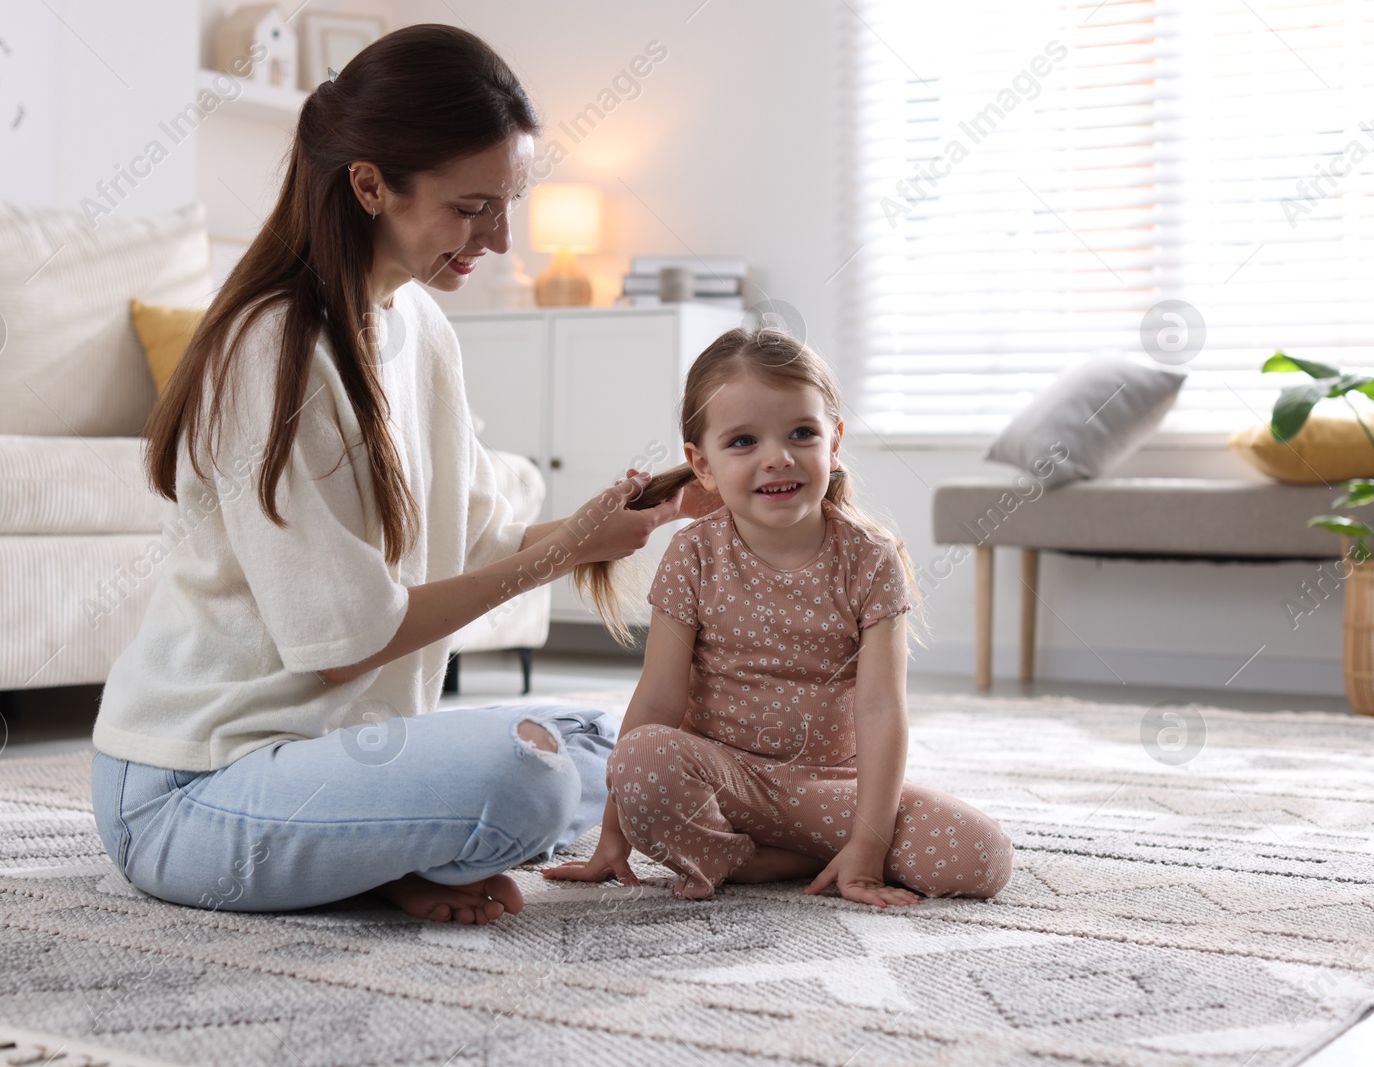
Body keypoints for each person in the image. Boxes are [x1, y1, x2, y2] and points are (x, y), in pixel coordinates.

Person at [89, 24, 709, 925]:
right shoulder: (276, 350)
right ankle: (395, 847)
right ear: (371, 184)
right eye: (471, 207)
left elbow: (480, 542)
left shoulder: (419, 326)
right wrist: (567, 549)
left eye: (508, 204)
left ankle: (389, 849)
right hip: (193, 791)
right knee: (527, 777)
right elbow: (346, 645)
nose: (498, 238)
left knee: (620, 745)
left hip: (343, 753)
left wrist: (637, 515)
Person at [545, 328, 1015, 905]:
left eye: (801, 433)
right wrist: (612, 835)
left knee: (981, 858)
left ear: (834, 443)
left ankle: (789, 855)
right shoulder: (693, 553)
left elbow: (881, 710)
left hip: (829, 787)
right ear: (703, 464)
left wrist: (869, 847)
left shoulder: (871, 556)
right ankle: (755, 859)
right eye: (743, 441)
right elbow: (657, 704)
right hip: (721, 778)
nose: (778, 457)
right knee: (642, 759)